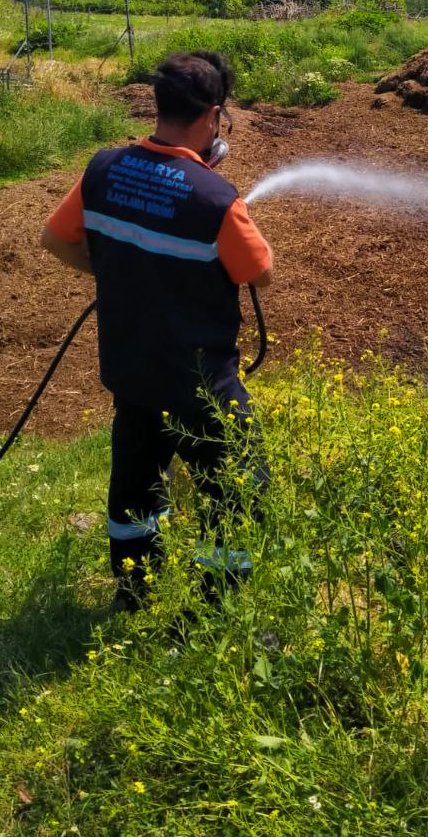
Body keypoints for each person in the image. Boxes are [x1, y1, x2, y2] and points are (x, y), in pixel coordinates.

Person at [41, 50, 273, 611]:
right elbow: (259, 272)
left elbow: (55, 239)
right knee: (240, 483)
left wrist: (124, 273)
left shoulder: (103, 169)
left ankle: (134, 593)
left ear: (159, 104)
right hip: (198, 381)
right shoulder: (216, 198)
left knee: (137, 478)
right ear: (213, 115)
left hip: (130, 367)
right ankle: (217, 606)